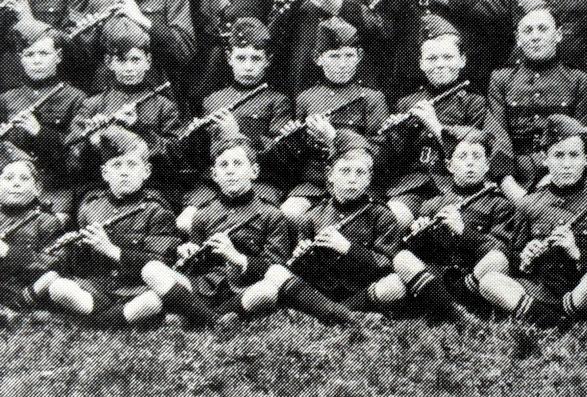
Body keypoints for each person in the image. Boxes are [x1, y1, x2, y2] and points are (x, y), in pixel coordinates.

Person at [240, 131, 405, 324]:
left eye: (360, 172)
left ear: (369, 179)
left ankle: (333, 313)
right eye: (345, 171)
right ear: (330, 175)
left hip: (361, 291)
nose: (352, 179)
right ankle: (349, 317)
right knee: (277, 274)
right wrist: (303, 256)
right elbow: (301, 272)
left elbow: (385, 264)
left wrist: (348, 248)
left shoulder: (381, 214)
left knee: (395, 284)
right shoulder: (311, 216)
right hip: (321, 291)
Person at [140, 137, 291, 327]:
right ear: (214, 174)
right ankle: (216, 320)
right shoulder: (203, 214)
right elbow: (194, 269)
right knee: (152, 270)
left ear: (254, 171)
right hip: (203, 288)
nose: (230, 170)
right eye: (223, 165)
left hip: (244, 288)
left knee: (268, 291)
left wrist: (235, 256)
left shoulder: (271, 214)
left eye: (238, 163)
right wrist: (189, 253)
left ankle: (195, 316)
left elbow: (275, 266)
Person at [479, 115, 587, 326]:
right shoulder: (528, 203)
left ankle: (542, 317)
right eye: (558, 155)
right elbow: (515, 260)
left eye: (574, 155)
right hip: (538, 289)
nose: (567, 164)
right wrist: (526, 258)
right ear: (545, 158)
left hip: (578, 287)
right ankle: (559, 320)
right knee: (489, 281)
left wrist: (576, 252)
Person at [38, 127, 177, 327]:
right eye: (116, 165)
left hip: (135, 288)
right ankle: (121, 318)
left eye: (132, 165)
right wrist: (73, 246)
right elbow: (82, 265)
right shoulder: (90, 205)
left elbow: (162, 261)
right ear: (105, 173)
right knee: (58, 288)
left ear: (146, 172)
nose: (124, 172)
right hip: (97, 287)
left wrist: (112, 250)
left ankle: (94, 321)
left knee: (153, 300)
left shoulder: (156, 209)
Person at [176, 17, 291, 232]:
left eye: (256, 58)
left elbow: (280, 155)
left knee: (246, 226)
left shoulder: (277, 100)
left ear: (268, 60)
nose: (248, 66)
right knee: (185, 223)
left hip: (258, 182)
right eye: (241, 58)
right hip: (213, 184)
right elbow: (199, 156)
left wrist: (237, 135)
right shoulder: (212, 100)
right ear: (229, 58)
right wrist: (193, 135)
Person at [393, 127, 514, 321]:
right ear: (449, 165)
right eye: (463, 157)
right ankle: (455, 312)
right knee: (402, 258)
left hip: (472, 276)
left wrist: (463, 231)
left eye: (477, 157)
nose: (470, 163)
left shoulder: (500, 204)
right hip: (437, 276)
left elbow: (502, 250)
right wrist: (418, 234)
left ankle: (444, 306)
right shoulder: (432, 203)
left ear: (487, 165)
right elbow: (418, 253)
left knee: (497, 260)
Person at [377, 14, 486, 224]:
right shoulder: (407, 102)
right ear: (421, 64)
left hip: (455, 185)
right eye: (432, 59)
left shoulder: (475, 102)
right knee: (395, 217)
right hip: (413, 185)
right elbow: (396, 158)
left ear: (462, 60)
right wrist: (396, 133)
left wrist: (435, 125)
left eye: (448, 57)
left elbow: (476, 147)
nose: (440, 65)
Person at [279, 18, 388, 221]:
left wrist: (335, 138)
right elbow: (296, 160)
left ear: (359, 57)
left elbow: (379, 152)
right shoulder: (306, 98)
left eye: (349, 55)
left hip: (357, 182)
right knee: (289, 213)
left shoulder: (372, 98)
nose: (343, 64)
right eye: (334, 56)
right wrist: (292, 140)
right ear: (318, 58)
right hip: (314, 184)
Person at [487, 0, 587, 198]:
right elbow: (496, 134)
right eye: (527, 31)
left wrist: (551, 182)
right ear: (518, 39)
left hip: (562, 178)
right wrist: (509, 185)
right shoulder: (500, 79)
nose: (535, 36)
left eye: (543, 29)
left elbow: (582, 138)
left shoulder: (579, 81)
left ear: (558, 34)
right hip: (510, 180)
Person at [65, 19, 179, 193]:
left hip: (151, 191)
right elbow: (71, 161)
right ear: (109, 62)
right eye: (121, 60)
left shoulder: (165, 106)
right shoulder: (92, 105)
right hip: (101, 193)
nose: (129, 68)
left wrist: (139, 127)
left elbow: (176, 158)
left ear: (148, 61)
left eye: (135, 60)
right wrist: (92, 141)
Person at [0, 20, 86, 220]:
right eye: (29, 55)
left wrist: (40, 132)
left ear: (58, 56)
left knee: (50, 229)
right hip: (11, 188)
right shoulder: (6, 99)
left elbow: (77, 158)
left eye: (44, 53)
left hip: (54, 188)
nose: (36, 61)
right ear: (21, 58)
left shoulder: (76, 98)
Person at [0, 145, 63, 317]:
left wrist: (8, 252)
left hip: (23, 286)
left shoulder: (46, 220)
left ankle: (14, 308)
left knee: (50, 279)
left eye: (24, 179)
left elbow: (54, 262)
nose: (16, 183)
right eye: (8, 178)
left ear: (37, 189)